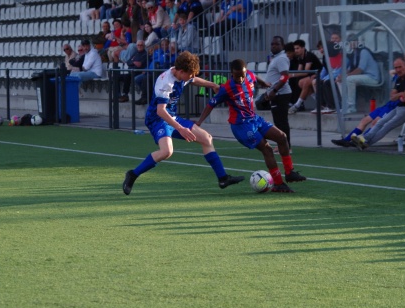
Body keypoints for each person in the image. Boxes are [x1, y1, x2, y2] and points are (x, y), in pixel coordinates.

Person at [122, 51, 244, 195]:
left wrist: (212, 85)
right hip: (157, 119)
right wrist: (180, 128)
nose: (192, 77)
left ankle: (223, 178)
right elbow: (161, 111)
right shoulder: (166, 83)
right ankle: (133, 174)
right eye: (190, 74)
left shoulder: (182, 74)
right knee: (166, 152)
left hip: (172, 116)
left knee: (207, 139)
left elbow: (194, 80)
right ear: (181, 71)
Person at [196, 59, 306, 193]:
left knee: (282, 137)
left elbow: (254, 76)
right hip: (241, 126)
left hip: (254, 119)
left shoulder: (249, 75)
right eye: (237, 76)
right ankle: (278, 184)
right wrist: (199, 122)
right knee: (267, 149)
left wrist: (263, 83)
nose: (241, 78)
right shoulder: (226, 88)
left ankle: (289, 173)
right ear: (231, 73)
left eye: (242, 74)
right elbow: (210, 104)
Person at [351, 58, 405, 150]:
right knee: (381, 122)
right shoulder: (399, 79)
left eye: (400, 67)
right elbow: (392, 97)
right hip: (399, 107)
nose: (398, 70)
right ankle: (364, 140)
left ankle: (366, 142)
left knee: (387, 125)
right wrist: (401, 94)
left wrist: (399, 94)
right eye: (396, 68)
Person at [337, 33, 381, 114]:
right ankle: (345, 106)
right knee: (339, 80)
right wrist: (342, 76)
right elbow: (350, 69)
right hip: (363, 76)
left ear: (357, 42)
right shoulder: (355, 53)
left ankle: (352, 107)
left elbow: (360, 70)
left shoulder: (363, 51)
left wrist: (346, 76)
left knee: (349, 79)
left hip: (372, 77)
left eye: (354, 41)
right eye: (350, 42)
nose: (352, 43)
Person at [264, 36, 293, 147]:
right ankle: (282, 144)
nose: (274, 46)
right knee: (278, 121)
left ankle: (286, 145)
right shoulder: (276, 58)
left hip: (281, 93)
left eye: (276, 44)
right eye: (272, 44)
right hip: (276, 93)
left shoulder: (281, 58)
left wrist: (274, 90)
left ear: (282, 46)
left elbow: (284, 76)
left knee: (281, 121)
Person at [287, 39, 323, 114]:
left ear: (303, 48)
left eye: (297, 48)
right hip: (312, 76)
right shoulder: (300, 57)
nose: (296, 50)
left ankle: (297, 105)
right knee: (300, 82)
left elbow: (306, 72)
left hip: (319, 74)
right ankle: (321, 103)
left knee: (305, 83)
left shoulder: (309, 55)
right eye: (294, 49)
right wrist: (291, 75)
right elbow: (299, 71)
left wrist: (292, 75)